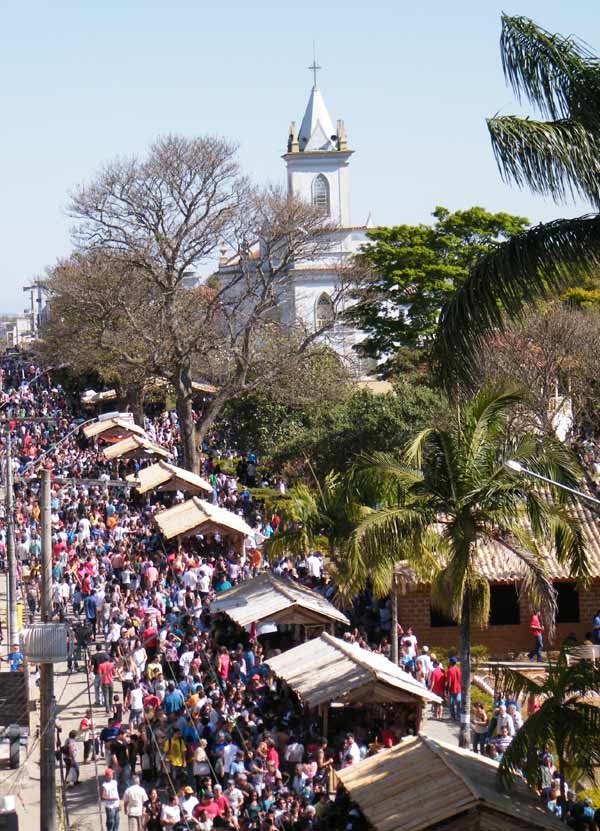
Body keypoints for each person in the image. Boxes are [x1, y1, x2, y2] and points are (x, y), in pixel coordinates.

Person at [446, 657, 462, 721]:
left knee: (451, 704)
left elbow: (449, 682)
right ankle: (458, 716)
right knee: (458, 704)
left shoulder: (449, 670)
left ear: (450, 662)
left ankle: (453, 717)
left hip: (452, 689)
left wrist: (447, 690)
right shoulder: (459, 670)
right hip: (459, 689)